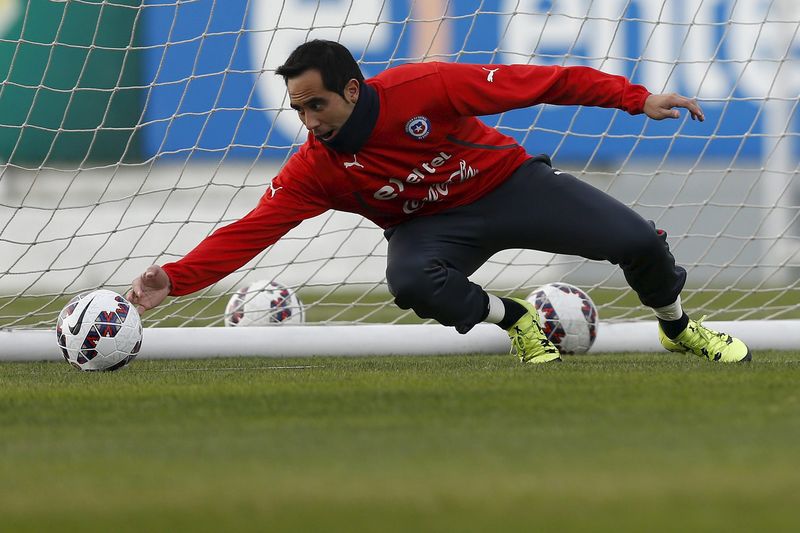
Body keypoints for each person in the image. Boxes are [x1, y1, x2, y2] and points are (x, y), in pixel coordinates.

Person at [128, 39, 751, 364]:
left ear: (352, 88)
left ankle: (678, 328)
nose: (308, 120)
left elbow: (547, 81)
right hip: (429, 228)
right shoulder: (314, 170)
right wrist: (174, 281)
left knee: (638, 242)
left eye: (316, 104)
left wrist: (634, 98)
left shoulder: (425, 87)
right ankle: (518, 322)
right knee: (410, 282)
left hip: (510, 185)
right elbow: (251, 230)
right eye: (298, 109)